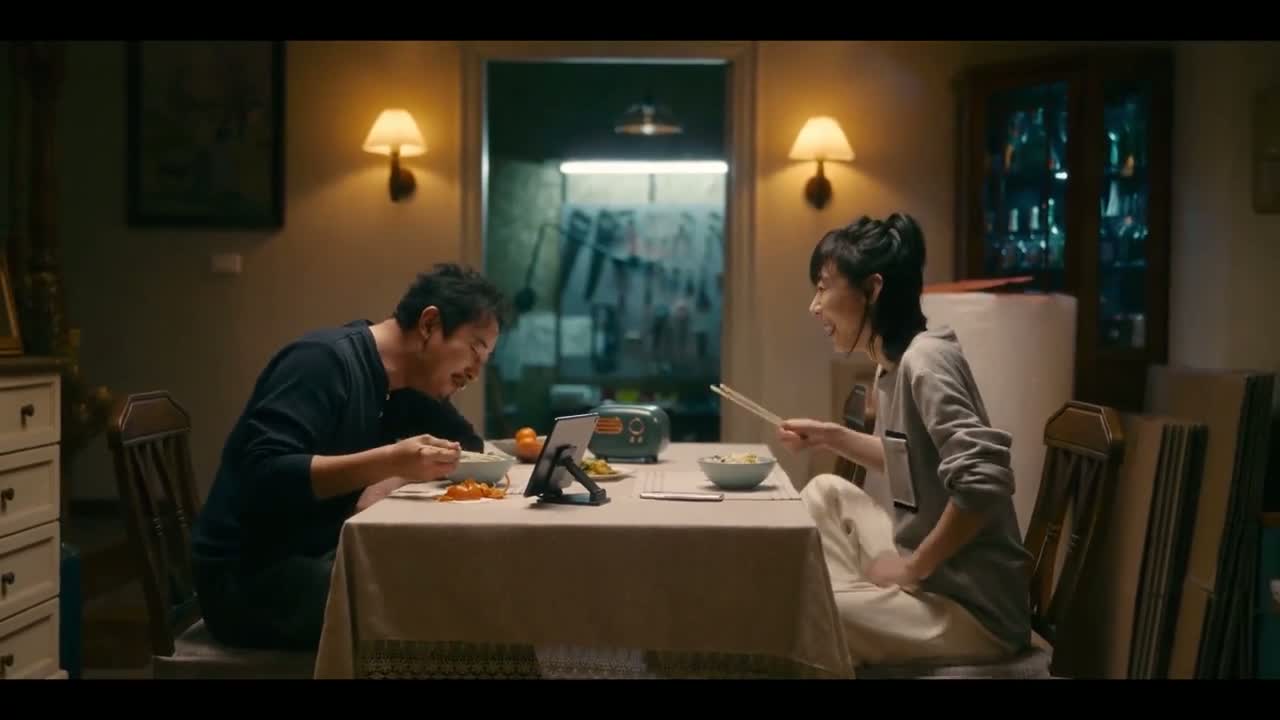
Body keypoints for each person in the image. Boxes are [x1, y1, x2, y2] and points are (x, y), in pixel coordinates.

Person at [190, 263, 508, 652]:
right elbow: (264, 475)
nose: (475, 372)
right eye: (475, 349)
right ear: (429, 325)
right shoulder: (321, 361)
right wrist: (390, 461)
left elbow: (466, 445)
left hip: (317, 554)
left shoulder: (406, 387)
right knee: (436, 603)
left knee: (452, 580)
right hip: (250, 578)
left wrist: (393, 476)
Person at [778, 214, 1031, 673]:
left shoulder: (926, 360)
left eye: (823, 287)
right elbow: (908, 460)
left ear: (872, 289)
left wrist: (913, 569)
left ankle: (849, 613)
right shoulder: (892, 365)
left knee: (809, 614)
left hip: (974, 610)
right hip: (934, 579)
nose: (814, 306)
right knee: (826, 492)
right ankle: (860, 610)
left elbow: (983, 480)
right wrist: (831, 436)